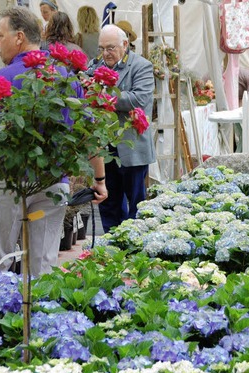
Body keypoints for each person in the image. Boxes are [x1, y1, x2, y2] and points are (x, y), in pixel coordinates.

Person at [0, 7, 107, 283]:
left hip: (6, 184)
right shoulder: (68, 78)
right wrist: (100, 179)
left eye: (0, 35)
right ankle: (39, 323)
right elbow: (88, 134)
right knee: (44, 268)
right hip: (52, 183)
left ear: (19, 37)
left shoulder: (4, 79)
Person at [85, 24, 155, 233]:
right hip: (105, 146)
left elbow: (139, 99)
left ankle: (135, 244)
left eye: (110, 48)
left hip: (132, 146)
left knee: (136, 203)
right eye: (101, 48)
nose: (105, 53)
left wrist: (103, 97)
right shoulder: (95, 64)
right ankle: (112, 245)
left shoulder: (141, 66)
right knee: (108, 201)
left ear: (125, 44)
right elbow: (83, 82)